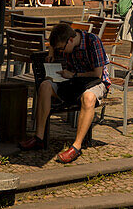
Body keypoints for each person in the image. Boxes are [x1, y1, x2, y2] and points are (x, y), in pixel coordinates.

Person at [20, 22, 110, 164]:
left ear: (71, 40)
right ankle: (39, 138)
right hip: (72, 82)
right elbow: (57, 36)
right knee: (45, 86)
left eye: (61, 49)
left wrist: (73, 75)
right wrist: (51, 51)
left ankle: (76, 146)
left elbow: (97, 74)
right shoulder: (67, 39)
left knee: (88, 98)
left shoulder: (92, 42)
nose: (60, 52)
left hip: (93, 82)